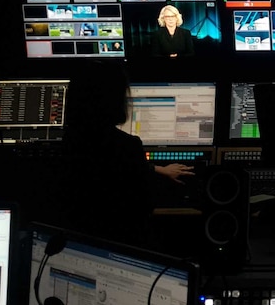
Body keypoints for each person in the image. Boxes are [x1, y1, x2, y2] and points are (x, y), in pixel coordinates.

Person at [53, 61, 195, 245]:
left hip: (79, 241)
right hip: (122, 242)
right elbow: (144, 204)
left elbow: (105, 169)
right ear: (113, 99)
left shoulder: (68, 143)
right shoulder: (128, 146)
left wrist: (154, 169)